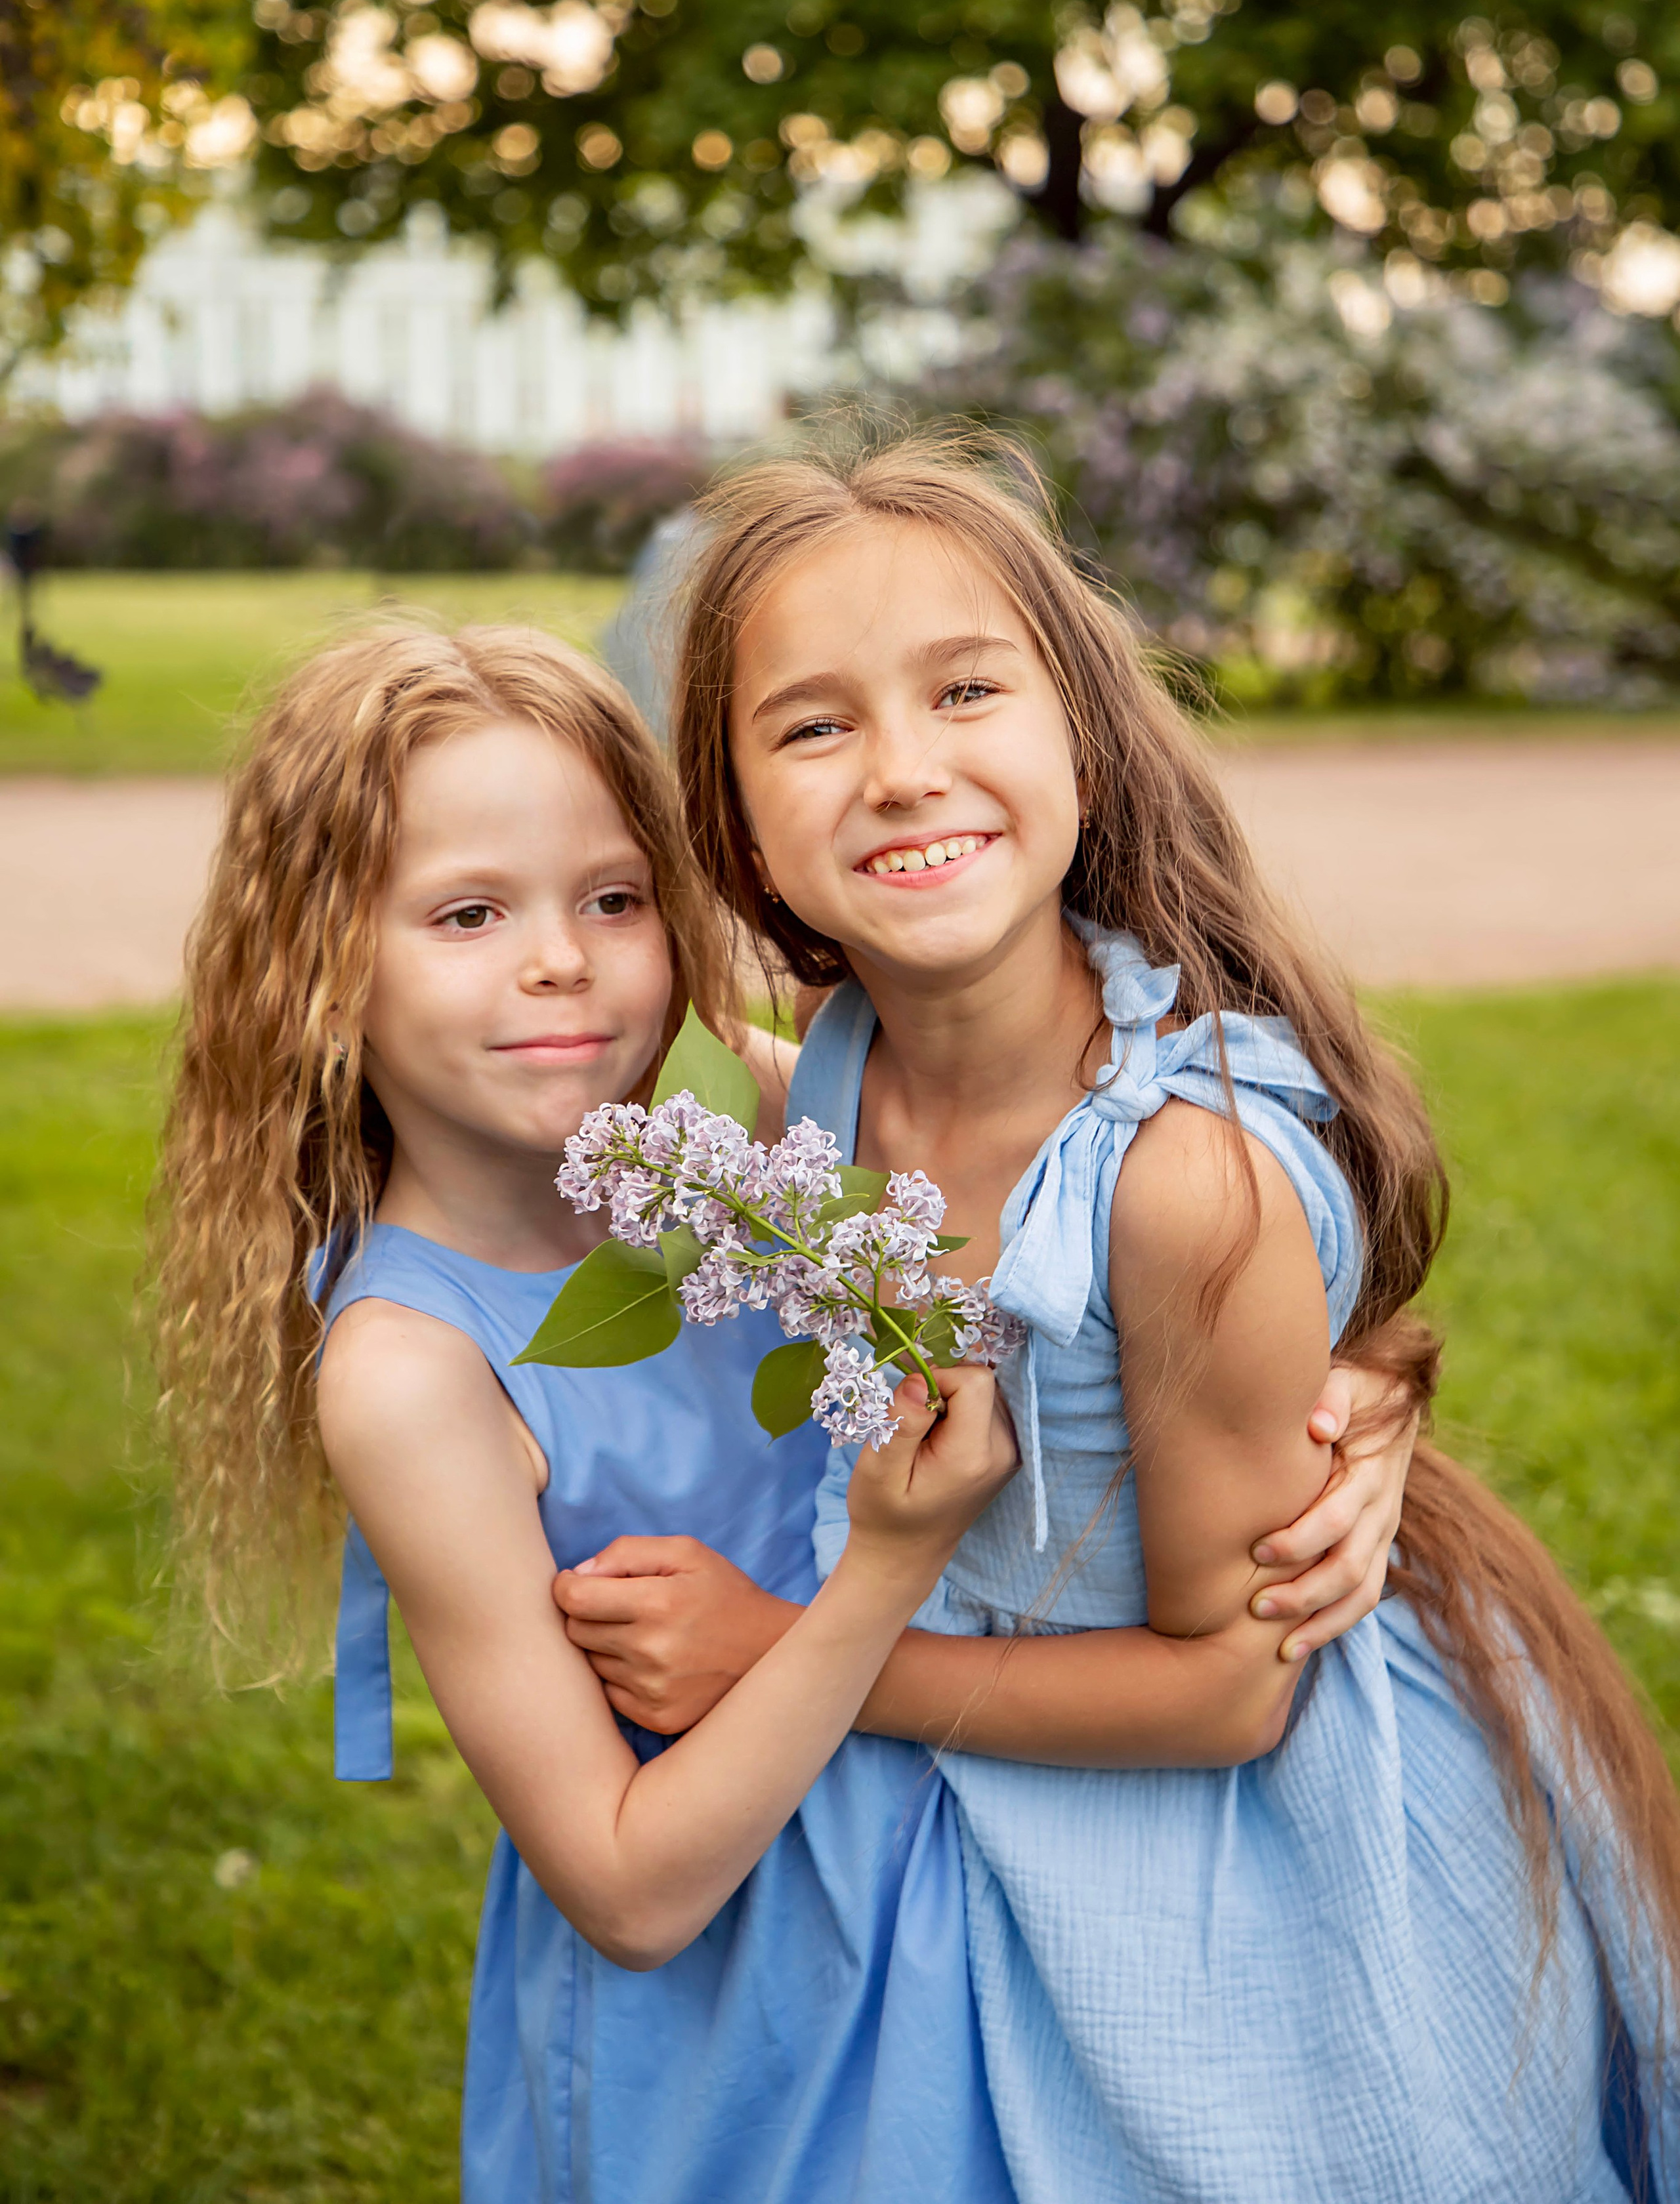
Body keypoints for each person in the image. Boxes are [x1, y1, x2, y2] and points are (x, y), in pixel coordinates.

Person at [154, 616, 1411, 2202]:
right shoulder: (413, 1371)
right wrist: (882, 1574)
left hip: (955, 1870)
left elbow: (1112, 1273)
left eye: (612, 899)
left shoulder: (750, 1130)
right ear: (318, 970)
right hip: (741, 1986)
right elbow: (624, 1888)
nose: (562, 959)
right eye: (467, 913)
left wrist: (1361, 1410)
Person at [577, 423, 1678, 2203]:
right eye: (811, 726)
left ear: (1080, 733)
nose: (901, 772)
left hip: (1204, 1837)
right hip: (936, 1783)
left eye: (962, 693)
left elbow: (1234, 1692)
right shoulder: (835, 1072)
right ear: (745, 835)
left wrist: (787, 1665)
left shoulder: (1186, 1183)